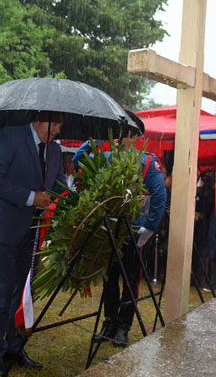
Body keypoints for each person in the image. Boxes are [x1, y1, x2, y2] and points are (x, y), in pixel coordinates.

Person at [0, 111, 66, 375]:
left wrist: (80, 201)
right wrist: (31, 197)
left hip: (32, 233)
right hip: (1, 229)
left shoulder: (55, 150)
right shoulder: (10, 137)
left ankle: (15, 347)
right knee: (1, 294)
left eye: (60, 126)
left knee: (23, 293)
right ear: (39, 119)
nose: (57, 131)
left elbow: (59, 186)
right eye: (54, 124)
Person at [73, 137, 166, 348]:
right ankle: (109, 323)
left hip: (133, 231)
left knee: (130, 280)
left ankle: (123, 327)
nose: (121, 137)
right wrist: (95, 141)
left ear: (134, 138)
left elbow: (160, 195)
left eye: (126, 134)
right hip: (110, 229)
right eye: (118, 133)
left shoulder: (147, 161)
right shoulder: (106, 157)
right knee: (110, 279)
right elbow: (79, 160)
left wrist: (149, 227)